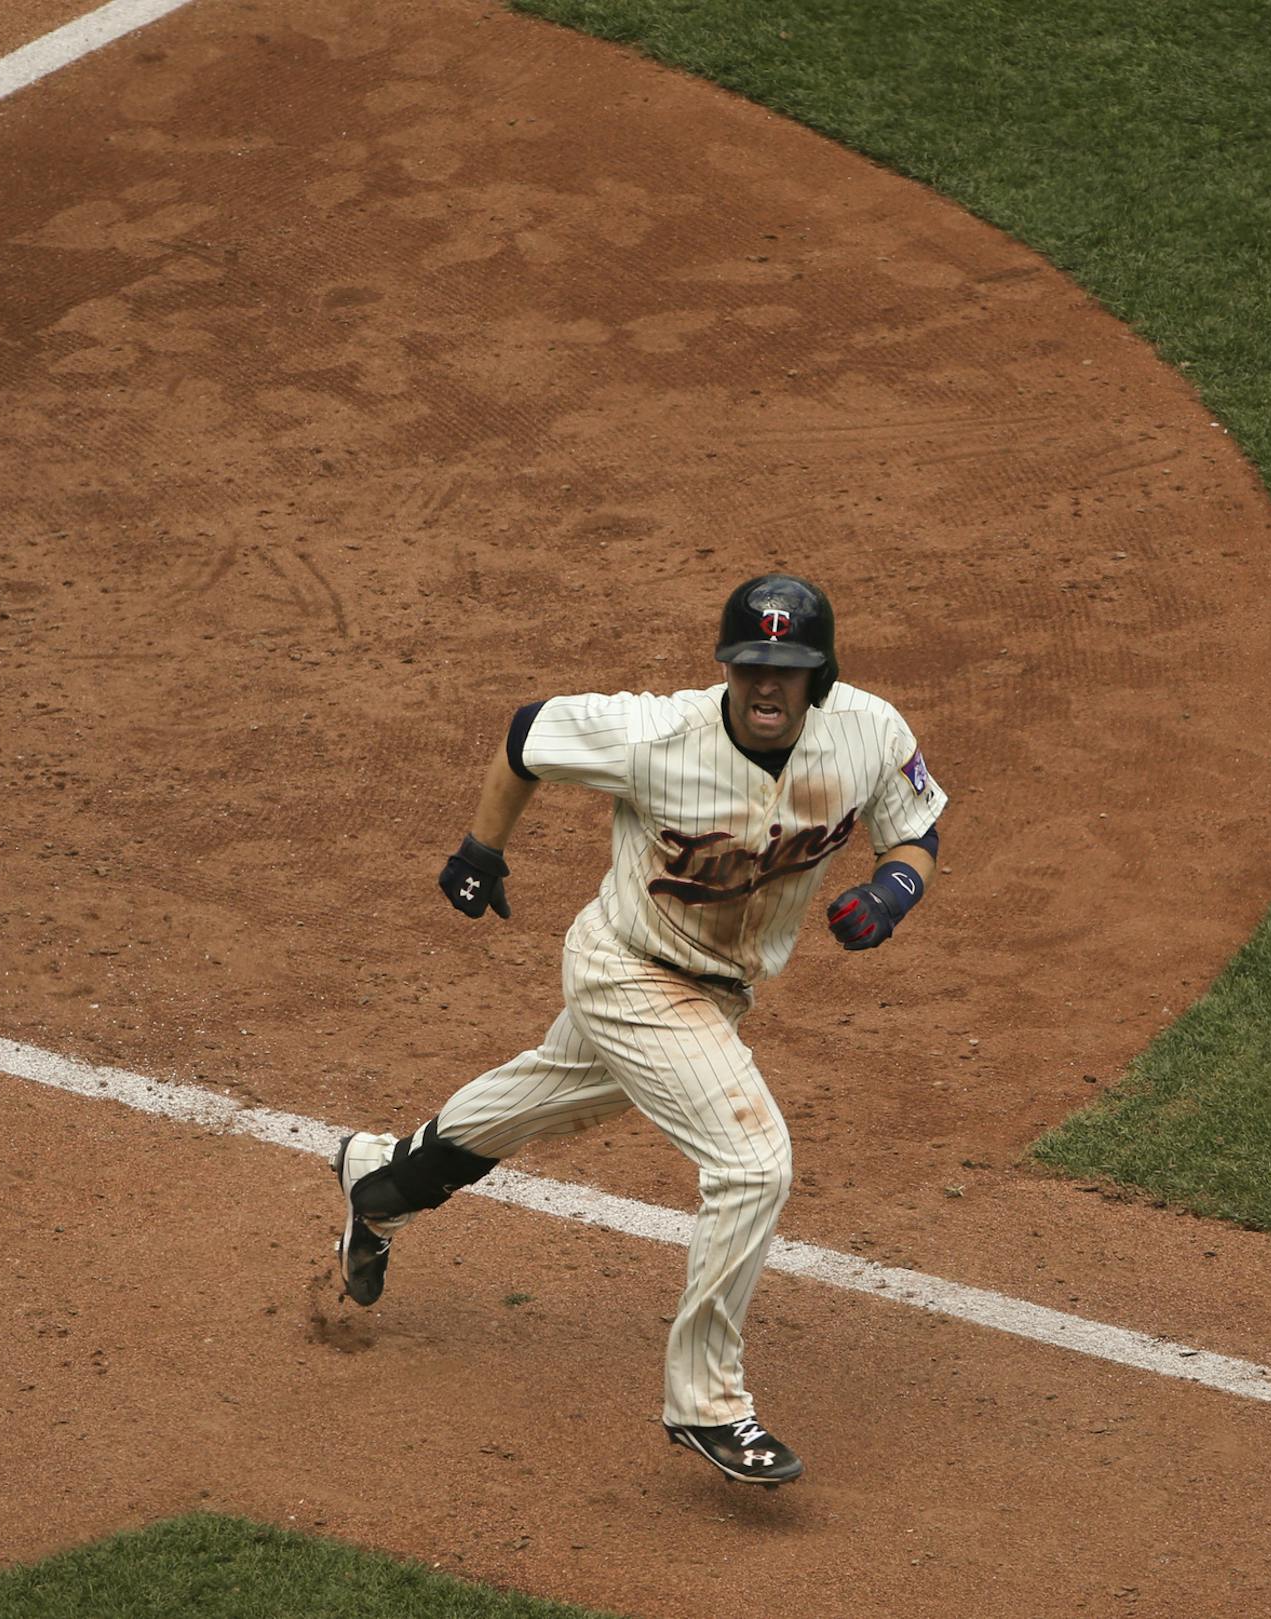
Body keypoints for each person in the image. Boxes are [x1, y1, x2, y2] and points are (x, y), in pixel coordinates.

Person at [331, 573, 948, 1488]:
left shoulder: (870, 731)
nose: (767, 685)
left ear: (820, 676)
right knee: (753, 1163)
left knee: (546, 1095)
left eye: (789, 668)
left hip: (717, 987)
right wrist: (478, 850)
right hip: (626, 967)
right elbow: (526, 734)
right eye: (750, 664)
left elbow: (916, 829)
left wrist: (894, 890)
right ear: (727, 667)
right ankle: (707, 1404)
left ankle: (378, 1181)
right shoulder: (657, 736)